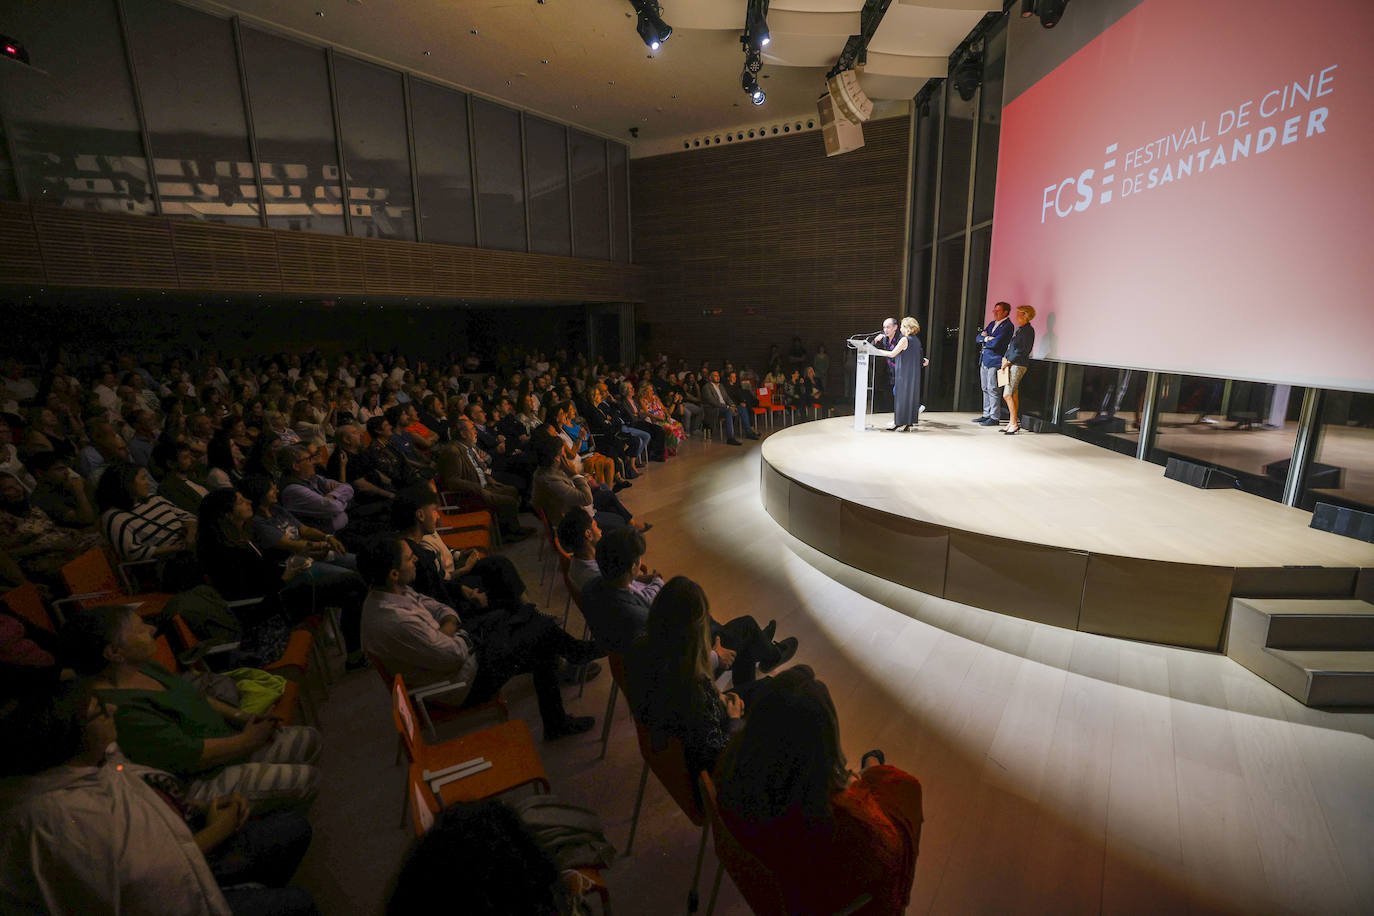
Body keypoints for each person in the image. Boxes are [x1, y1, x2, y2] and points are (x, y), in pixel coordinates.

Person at [0, 684, 319, 916]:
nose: (112, 710)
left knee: (292, 828)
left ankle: (242, 887)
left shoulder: (96, 758)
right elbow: (144, 887)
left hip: (190, 836)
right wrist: (218, 831)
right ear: (67, 735)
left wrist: (200, 807)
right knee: (298, 904)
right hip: (177, 874)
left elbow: (141, 796)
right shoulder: (56, 820)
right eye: (99, 710)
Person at [63, 604, 322, 812]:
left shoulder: (142, 666)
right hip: (200, 778)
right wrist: (247, 740)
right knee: (305, 778)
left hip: (227, 742)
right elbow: (191, 756)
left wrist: (242, 716)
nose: (152, 630)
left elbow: (195, 695)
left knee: (308, 738)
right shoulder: (118, 710)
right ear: (114, 653)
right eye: (140, 631)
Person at [714, 665, 924, 916]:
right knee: (898, 784)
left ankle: (871, 770)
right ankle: (871, 770)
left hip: (761, 877)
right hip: (811, 900)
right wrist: (853, 789)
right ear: (823, 746)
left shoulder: (730, 763)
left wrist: (735, 723)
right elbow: (889, 855)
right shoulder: (837, 823)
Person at [358, 536, 599, 741]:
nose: (417, 561)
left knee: (521, 618)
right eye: (410, 559)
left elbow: (439, 608)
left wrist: (448, 628)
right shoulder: (395, 621)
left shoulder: (392, 590)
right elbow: (452, 656)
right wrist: (457, 633)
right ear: (393, 573)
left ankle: (567, 683)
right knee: (539, 631)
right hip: (463, 682)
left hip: (461, 655)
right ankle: (573, 664)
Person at [579, 527, 795, 685]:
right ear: (632, 567)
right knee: (746, 626)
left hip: (641, 665)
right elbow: (675, 662)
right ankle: (769, 654)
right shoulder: (636, 618)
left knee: (703, 614)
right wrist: (714, 657)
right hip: (680, 672)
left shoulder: (595, 586)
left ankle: (757, 645)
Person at [625, 577, 758, 779]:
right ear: (696, 632)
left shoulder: (638, 647)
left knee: (761, 688)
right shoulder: (695, 690)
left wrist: (716, 695)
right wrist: (734, 720)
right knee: (766, 696)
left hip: (665, 742)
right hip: (705, 776)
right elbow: (716, 754)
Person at [0, 469, 104, 586]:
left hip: (63, 544)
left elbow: (49, 527)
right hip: (43, 559)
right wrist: (46, 547)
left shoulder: (31, 508)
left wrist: (69, 531)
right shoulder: (3, 519)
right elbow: (7, 555)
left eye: (17, 485)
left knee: (104, 540)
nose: (18, 490)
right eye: (9, 488)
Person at [880, 316, 925, 432]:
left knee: (901, 398)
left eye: (902, 326)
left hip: (903, 374)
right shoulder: (916, 340)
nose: (900, 329)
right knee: (910, 398)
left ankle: (898, 422)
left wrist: (876, 351)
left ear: (906, 327)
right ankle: (908, 423)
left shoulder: (905, 339)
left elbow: (892, 354)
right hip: (913, 374)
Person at [973, 301, 1013, 426]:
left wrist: (986, 339)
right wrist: (986, 338)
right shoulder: (992, 324)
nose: (995, 313)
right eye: (994, 310)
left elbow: (996, 343)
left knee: (993, 389)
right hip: (985, 359)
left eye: (998, 311)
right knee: (985, 387)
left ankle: (994, 417)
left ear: (1005, 312)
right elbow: (978, 338)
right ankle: (986, 414)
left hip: (995, 360)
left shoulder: (1007, 326)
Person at [1001, 305, 1037, 436]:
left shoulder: (1028, 331)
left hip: (1018, 365)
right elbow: (1012, 347)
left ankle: (1014, 423)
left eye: (1019, 314)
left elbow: (1022, 351)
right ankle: (1012, 422)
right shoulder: (1020, 330)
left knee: (1007, 394)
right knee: (1013, 393)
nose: (1016, 317)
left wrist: (1009, 361)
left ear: (1025, 315)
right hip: (1011, 363)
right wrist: (1005, 358)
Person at [700, 370, 757, 446]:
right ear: (710, 377)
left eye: (718, 376)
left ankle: (749, 432)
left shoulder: (721, 386)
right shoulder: (707, 387)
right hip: (714, 409)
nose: (718, 377)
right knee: (728, 411)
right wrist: (728, 407)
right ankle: (730, 438)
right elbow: (712, 401)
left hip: (725, 407)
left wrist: (732, 405)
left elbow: (727, 398)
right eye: (715, 376)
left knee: (742, 408)